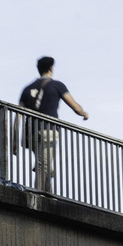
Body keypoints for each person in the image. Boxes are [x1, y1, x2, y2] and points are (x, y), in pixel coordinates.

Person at [14, 56, 88, 192]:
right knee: (44, 165)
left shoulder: (27, 89)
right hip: (48, 131)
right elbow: (75, 107)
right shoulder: (56, 85)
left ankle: (48, 192)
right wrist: (84, 113)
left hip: (30, 133)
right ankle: (38, 195)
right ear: (51, 68)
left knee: (44, 162)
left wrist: (14, 139)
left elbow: (17, 116)